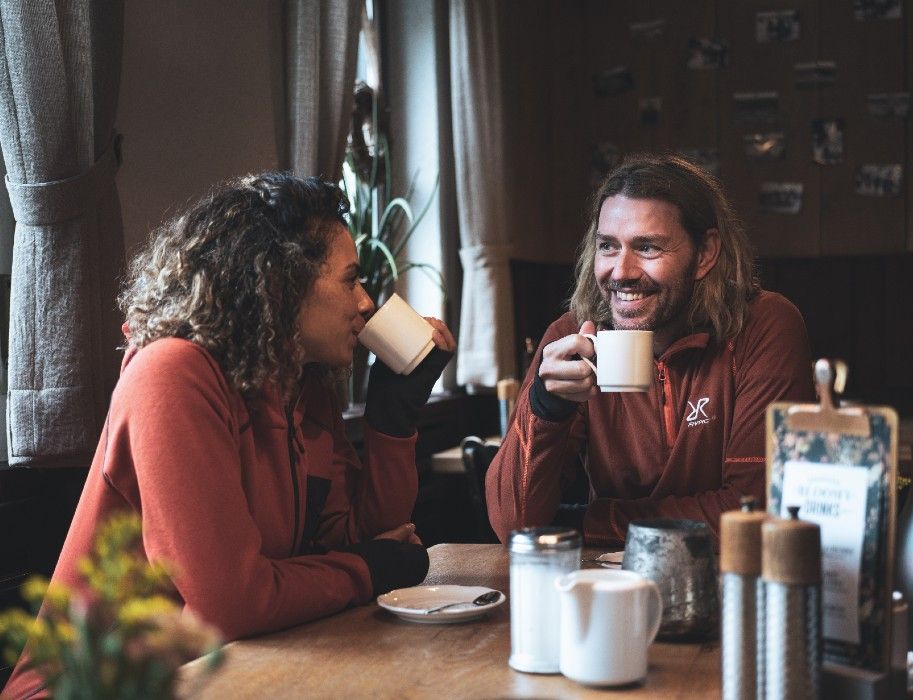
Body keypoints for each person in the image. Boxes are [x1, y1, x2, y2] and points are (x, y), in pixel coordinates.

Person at [4, 172, 455, 698]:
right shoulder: (170, 375)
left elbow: (368, 540)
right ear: (280, 281)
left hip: (221, 673)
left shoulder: (301, 388)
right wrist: (367, 568)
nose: (364, 303)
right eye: (349, 279)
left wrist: (391, 421)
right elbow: (232, 604)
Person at [485, 153, 814, 548]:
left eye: (647, 248)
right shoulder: (572, 337)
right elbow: (514, 522)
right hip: (609, 591)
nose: (621, 271)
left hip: (730, 585)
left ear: (705, 254)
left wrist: (586, 521)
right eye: (608, 246)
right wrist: (545, 408)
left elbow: (755, 512)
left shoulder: (764, 325)